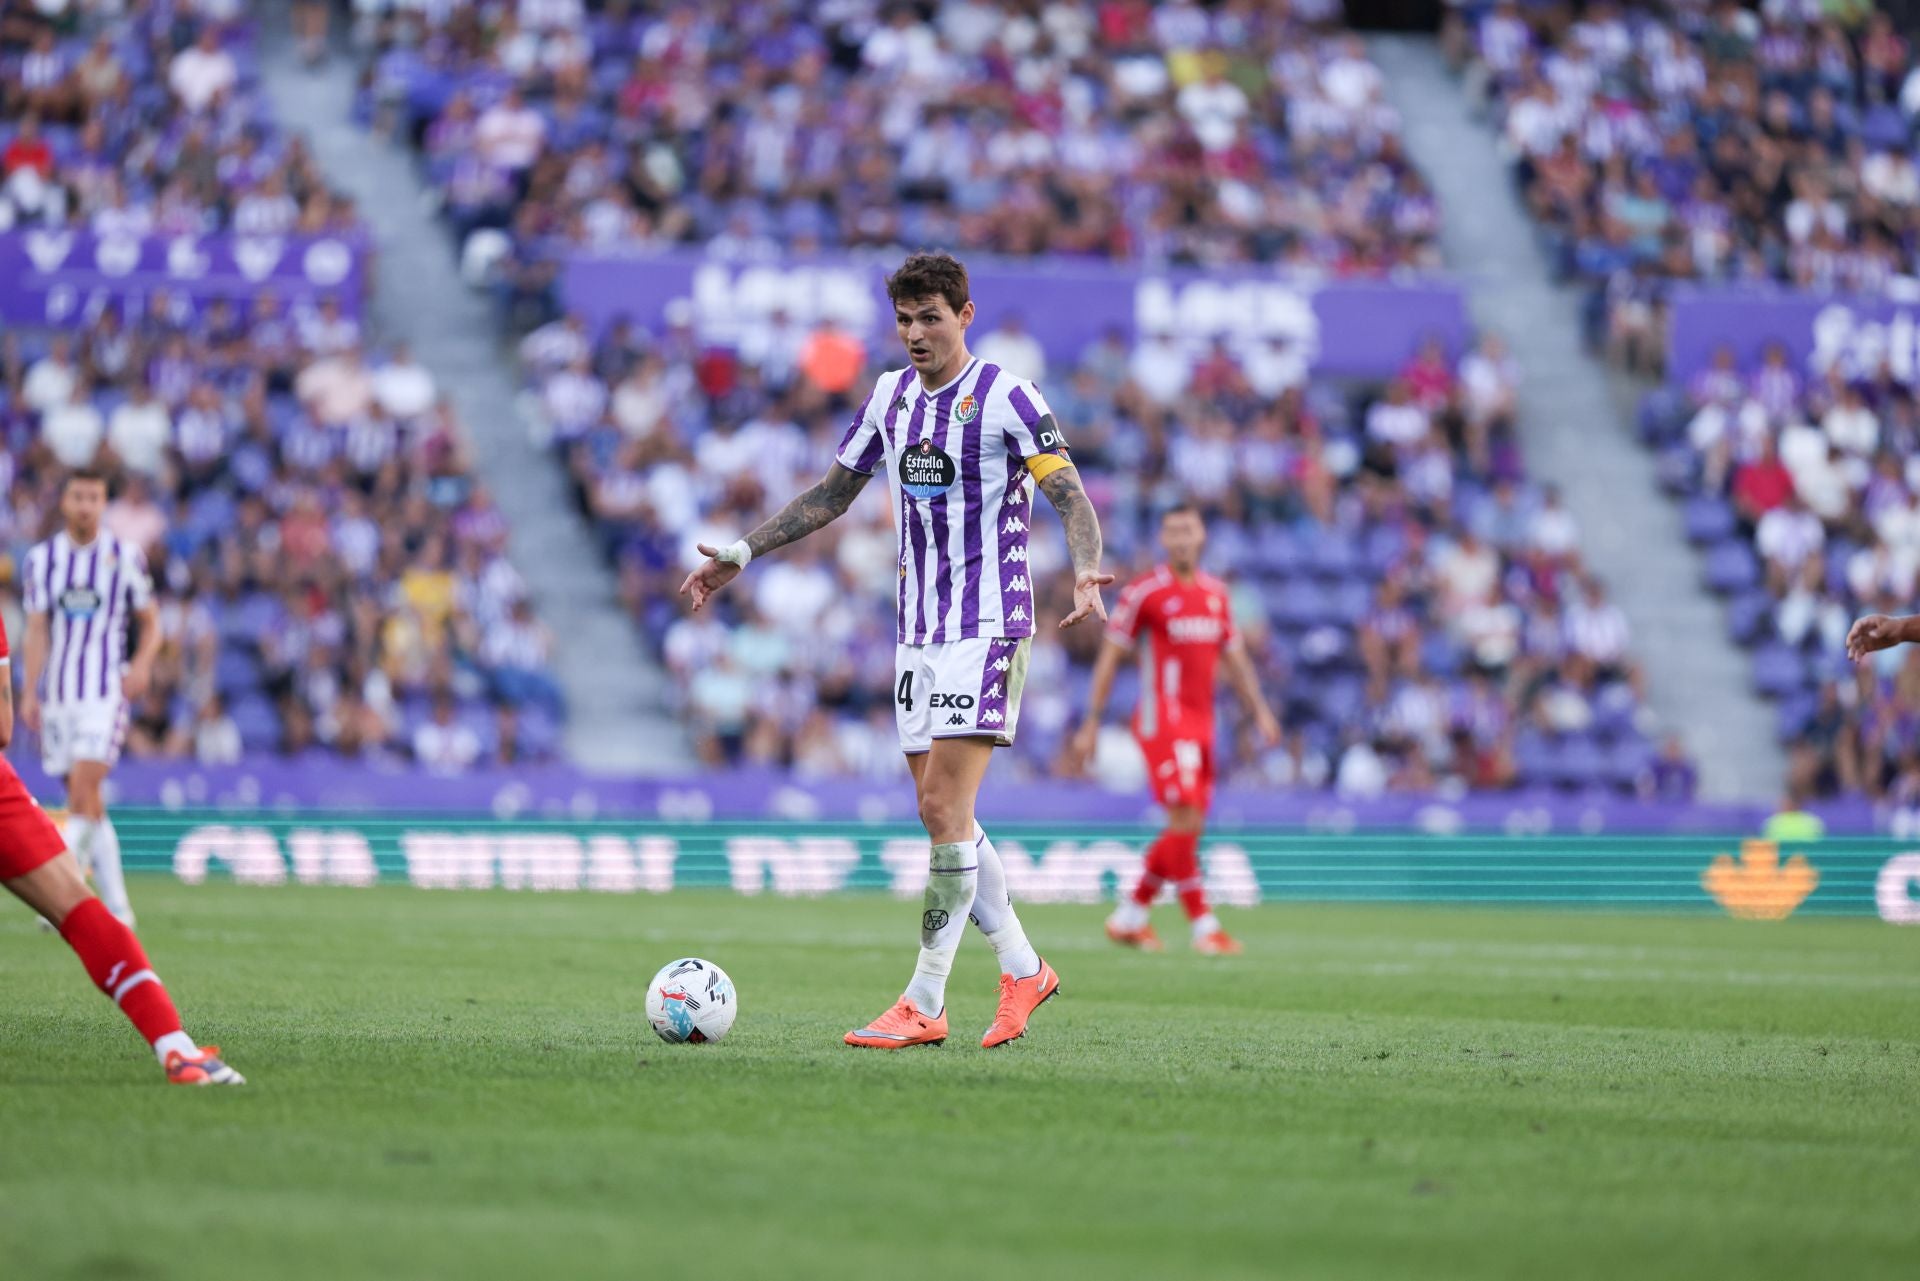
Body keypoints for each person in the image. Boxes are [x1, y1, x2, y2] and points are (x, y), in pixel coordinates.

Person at [681, 251, 1112, 1050]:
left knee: (944, 809)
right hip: (919, 630)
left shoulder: (1009, 397)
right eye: (905, 319)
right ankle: (1024, 966)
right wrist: (742, 551)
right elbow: (831, 494)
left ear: (965, 316)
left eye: (930, 318)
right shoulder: (890, 397)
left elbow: (1069, 492)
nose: (915, 333)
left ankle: (925, 999)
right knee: (941, 812)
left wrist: (1086, 566)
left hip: (988, 622)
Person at [0, 608, 241, 1085]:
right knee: (78, 907)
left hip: (82, 702)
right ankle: (176, 1047)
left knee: (87, 805)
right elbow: (3, 729)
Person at [1069, 504, 1281, 954]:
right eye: (1173, 531)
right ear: (1163, 540)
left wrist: (1261, 711)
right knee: (1184, 817)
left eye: (1189, 530)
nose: (1182, 539)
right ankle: (1204, 926)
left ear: (1201, 536)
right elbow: (1110, 656)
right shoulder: (1145, 592)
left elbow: (1236, 660)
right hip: (1162, 719)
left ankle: (1130, 916)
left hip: (1204, 723)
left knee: (1191, 825)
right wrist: (1091, 721)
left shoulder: (1217, 595)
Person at [20, 469, 160, 927]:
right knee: (89, 803)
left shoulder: (125, 557)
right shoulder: (43, 560)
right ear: (64, 502)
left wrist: (141, 665)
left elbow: (151, 621)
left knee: (82, 793)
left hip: (104, 692)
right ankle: (119, 908)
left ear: (104, 504)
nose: (85, 506)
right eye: (78, 496)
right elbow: (37, 629)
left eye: (94, 497)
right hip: (60, 695)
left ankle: (60, 898)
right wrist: (30, 690)